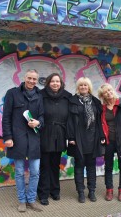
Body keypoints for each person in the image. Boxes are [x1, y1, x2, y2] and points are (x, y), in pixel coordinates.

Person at [2, 69, 44, 212]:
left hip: (34, 139)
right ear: (24, 78)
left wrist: (38, 123)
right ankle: (21, 200)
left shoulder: (40, 96)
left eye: (34, 79)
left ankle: (31, 200)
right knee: (19, 172)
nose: (32, 81)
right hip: (17, 139)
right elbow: (6, 117)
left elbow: (43, 116)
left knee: (35, 172)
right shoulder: (12, 93)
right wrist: (7, 137)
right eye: (29, 78)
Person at [67, 77, 105, 203]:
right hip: (79, 139)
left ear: (89, 87)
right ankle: (81, 192)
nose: (83, 87)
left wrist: (101, 136)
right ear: (78, 87)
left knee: (91, 166)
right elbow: (70, 121)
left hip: (93, 138)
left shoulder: (95, 102)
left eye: (86, 85)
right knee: (79, 166)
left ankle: (92, 191)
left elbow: (99, 121)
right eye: (81, 85)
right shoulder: (72, 101)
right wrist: (71, 137)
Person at [37, 73, 72, 205]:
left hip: (60, 134)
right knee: (44, 165)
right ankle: (43, 193)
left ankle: (55, 190)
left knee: (55, 164)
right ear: (48, 83)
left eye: (57, 81)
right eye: (52, 81)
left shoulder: (67, 97)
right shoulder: (40, 95)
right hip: (44, 134)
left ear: (61, 83)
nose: (55, 84)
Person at [97, 83, 121, 202]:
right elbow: (99, 125)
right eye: (105, 92)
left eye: (109, 90)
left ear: (113, 90)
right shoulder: (102, 108)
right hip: (108, 142)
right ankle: (109, 190)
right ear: (103, 96)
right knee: (108, 167)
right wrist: (102, 137)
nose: (108, 93)